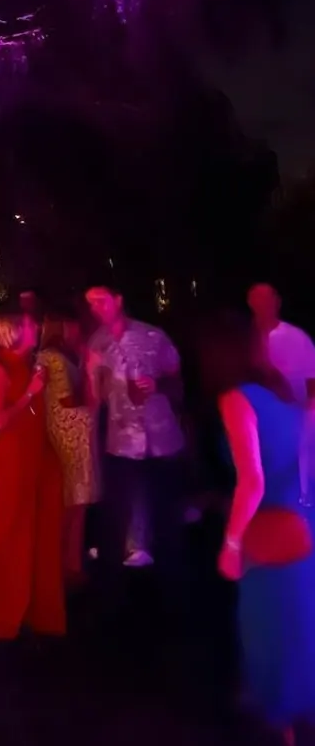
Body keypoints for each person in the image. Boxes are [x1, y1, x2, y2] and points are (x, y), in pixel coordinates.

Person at [206, 310, 315, 746]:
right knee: (299, 627)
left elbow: (252, 480)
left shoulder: (235, 399)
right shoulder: (280, 393)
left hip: (266, 528)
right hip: (300, 523)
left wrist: (230, 543)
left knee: (268, 633)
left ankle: (281, 727)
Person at [85, 283, 185, 582]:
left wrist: (158, 386)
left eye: (101, 301)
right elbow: (96, 398)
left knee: (166, 513)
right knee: (120, 508)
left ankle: (174, 581)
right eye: (90, 304)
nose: (95, 308)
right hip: (123, 440)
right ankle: (122, 582)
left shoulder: (153, 336)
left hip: (161, 437)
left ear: (118, 300)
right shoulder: (96, 343)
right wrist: (92, 377)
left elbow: (178, 384)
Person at [0, 308, 65, 640]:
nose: (38, 327)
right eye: (32, 324)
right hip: (14, 460)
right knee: (10, 530)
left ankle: (38, 609)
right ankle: (5, 612)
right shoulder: (0, 369)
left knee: (40, 531)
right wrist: (31, 391)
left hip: (37, 456)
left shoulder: (32, 364)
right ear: (13, 331)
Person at [37, 311, 100, 583]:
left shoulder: (57, 355)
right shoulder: (54, 358)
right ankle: (60, 563)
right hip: (71, 430)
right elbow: (67, 401)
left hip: (72, 429)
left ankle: (71, 562)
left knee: (77, 501)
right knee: (73, 502)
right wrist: (91, 377)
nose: (77, 331)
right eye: (72, 326)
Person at [248, 283, 315, 505]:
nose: (263, 306)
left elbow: (312, 380)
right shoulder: (244, 340)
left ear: (277, 302)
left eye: (268, 299)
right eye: (257, 301)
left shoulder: (296, 337)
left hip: (295, 422)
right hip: (255, 426)